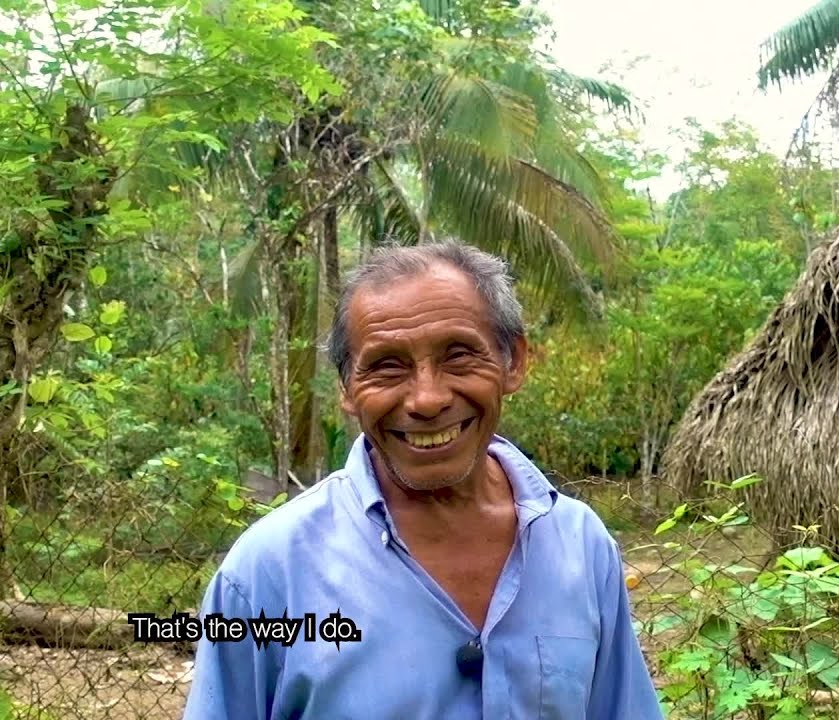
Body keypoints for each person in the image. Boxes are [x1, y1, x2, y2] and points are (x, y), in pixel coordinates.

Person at [183, 242, 665, 719]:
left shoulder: (580, 545)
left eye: (458, 355)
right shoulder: (267, 573)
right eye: (387, 365)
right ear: (347, 388)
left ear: (513, 362)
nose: (427, 399)